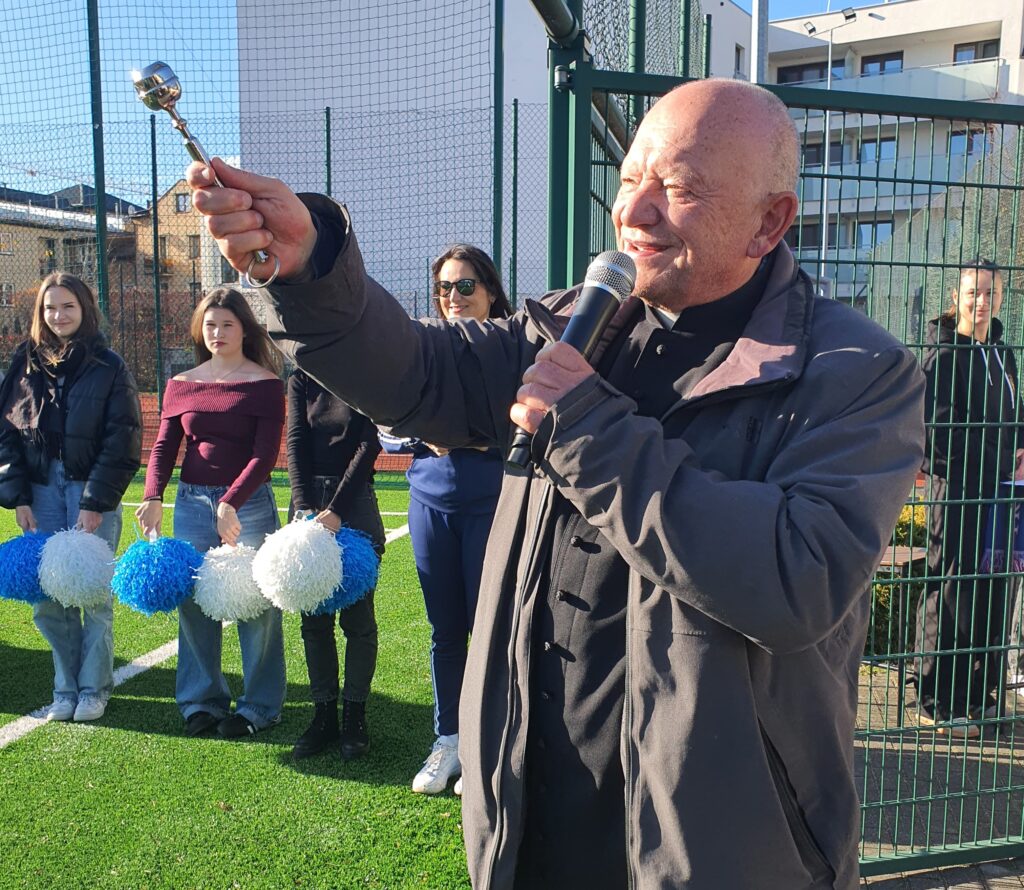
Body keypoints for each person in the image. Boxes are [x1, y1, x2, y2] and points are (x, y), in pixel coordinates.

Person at [189, 79, 925, 890]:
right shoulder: (579, 323)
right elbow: (420, 374)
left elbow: (797, 576)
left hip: (713, 848)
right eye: (630, 180)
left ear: (769, 222)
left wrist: (585, 425)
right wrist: (312, 267)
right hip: (531, 822)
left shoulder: (857, 373)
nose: (635, 213)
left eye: (678, 191)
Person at [378, 245, 512, 795]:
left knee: (494, 631)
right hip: (431, 501)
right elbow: (384, 427)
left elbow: (527, 421)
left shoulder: (513, 344)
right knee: (445, 631)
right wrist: (420, 434)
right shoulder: (422, 349)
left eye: (465, 286)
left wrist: (466, 435)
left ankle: (493, 746)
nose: (453, 297)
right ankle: (449, 741)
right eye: (445, 288)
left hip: (494, 501)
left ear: (490, 292)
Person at [136, 287, 286, 740]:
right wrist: (153, 495)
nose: (217, 333)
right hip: (191, 504)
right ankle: (200, 701)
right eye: (210, 325)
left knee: (256, 605)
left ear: (244, 330)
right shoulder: (182, 383)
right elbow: (164, 447)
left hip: (249, 505)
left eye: (227, 325)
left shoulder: (265, 383)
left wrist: (230, 501)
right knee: (194, 603)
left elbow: (264, 456)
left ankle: (260, 707)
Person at [0, 272, 141, 722]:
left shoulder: (109, 365)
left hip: (88, 488)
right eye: (49, 308)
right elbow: (6, 433)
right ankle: (65, 686)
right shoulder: (23, 362)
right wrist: (17, 495)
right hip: (39, 490)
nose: (58, 316)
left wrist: (95, 501)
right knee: (48, 595)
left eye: (67, 307)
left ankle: (94, 688)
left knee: (92, 593)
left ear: (84, 311)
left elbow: (123, 438)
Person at [916, 258, 1024, 738]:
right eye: (974, 293)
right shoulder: (942, 355)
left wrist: (1019, 447)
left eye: (991, 294)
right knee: (953, 584)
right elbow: (938, 433)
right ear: (956, 297)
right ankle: (937, 701)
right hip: (957, 490)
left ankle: (980, 697)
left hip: (1001, 492)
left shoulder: (1004, 353)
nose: (982, 302)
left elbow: (1013, 414)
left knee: (994, 586)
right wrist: (998, 459)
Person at [287, 367, 385, 760]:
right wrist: (304, 506)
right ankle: (323, 715)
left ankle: (354, 717)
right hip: (308, 503)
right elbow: (295, 440)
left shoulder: (364, 370)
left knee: (358, 621)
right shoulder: (300, 377)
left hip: (355, 504)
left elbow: (369, 440)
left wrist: (337, 510)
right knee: (314, 621)